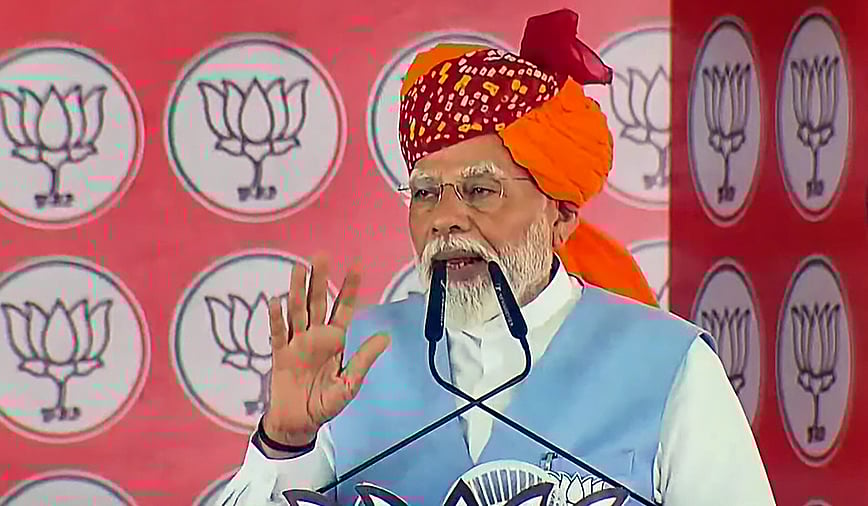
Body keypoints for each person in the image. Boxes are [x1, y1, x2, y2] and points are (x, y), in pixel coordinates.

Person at [218, 8, 776, 506]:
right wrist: (283, 441)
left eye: (481, 190)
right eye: (425, 193)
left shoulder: (670, 363)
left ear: (560, 216)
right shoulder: (350, 359)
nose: (445, 219)